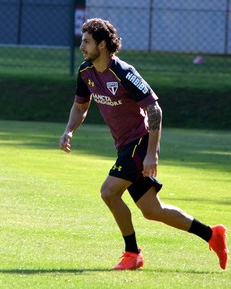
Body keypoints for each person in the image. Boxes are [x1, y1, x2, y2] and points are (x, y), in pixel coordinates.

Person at [59, 18, 228, 270]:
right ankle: (212, 235)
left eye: (86, 41)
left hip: (140, 141)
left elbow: (154, 108)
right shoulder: (86, 71)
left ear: (102, 45)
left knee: (108, 192)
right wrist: (69, 130)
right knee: (152, 210)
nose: (81, 46)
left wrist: (152, 154)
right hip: (125, 144)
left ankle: (132, 254)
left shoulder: (124, 73)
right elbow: (81, 105)